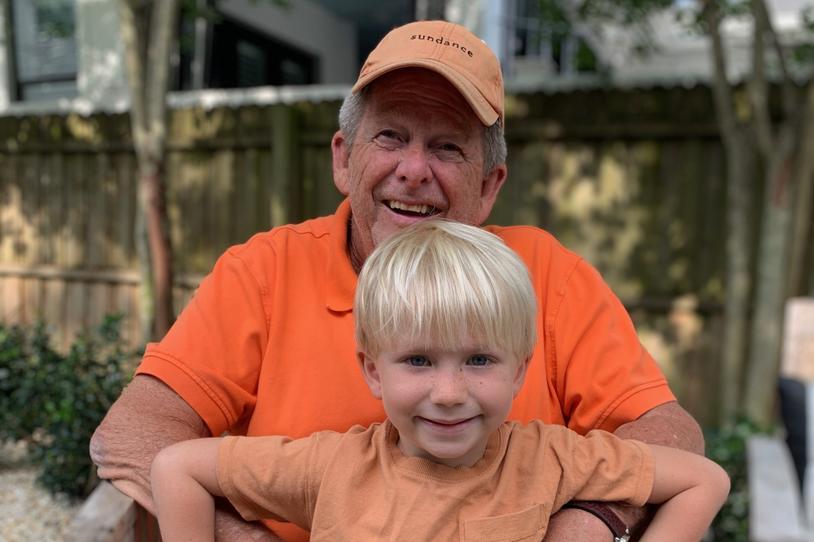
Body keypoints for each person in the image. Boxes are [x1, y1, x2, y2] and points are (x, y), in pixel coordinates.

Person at [91, 19, 705, 542]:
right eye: (390, 136)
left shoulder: (544, 274)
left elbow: (668, 434)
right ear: (342, 157)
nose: (413, 171)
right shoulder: (264, 272)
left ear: (489, 186)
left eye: (447, 147)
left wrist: (592, 520)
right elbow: (134, 434)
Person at [150, 220, 729, 542]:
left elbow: (703, 481)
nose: (449, 392)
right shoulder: (328, 468)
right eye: (419, 361)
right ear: (373, 370)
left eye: (479, 361)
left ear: (520, 367)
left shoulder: (551, 458)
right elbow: (176, 468)